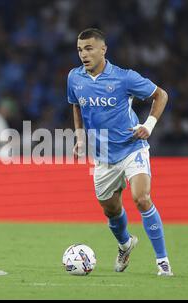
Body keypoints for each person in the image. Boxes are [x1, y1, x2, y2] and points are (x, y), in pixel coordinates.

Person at [67, 28, 172, 276]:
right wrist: (80, 137)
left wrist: (148, 125)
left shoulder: (124, 78)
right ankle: (125, 245)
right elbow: (75, 105)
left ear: (103, 50)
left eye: (89, 48)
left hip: (131, 147)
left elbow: (161, 95)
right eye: (80, 49)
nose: (84, 54)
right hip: (102, 155)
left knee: (141, 198)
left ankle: (162, 262)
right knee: (111, 210)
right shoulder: (74, 78)